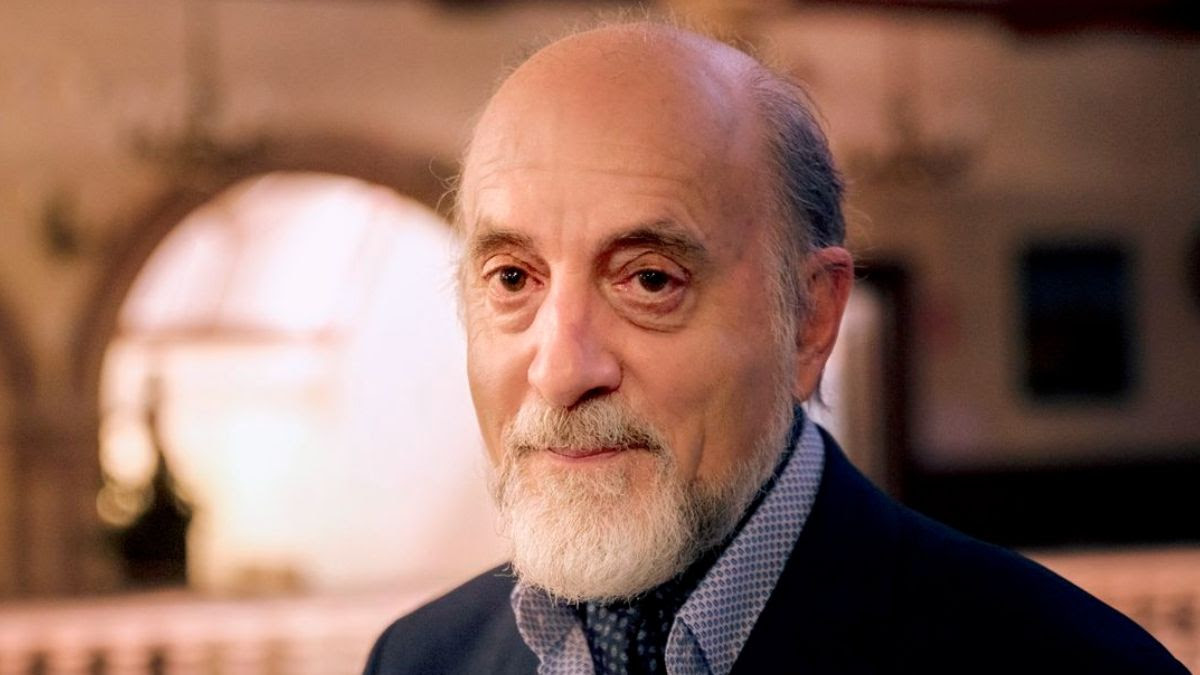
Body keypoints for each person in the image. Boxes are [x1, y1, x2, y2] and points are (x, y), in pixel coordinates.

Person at [363, 21, 1188, 675]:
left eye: (648, 279)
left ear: (810, 320)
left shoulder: (1065, 661)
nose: (560, 369)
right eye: (512, 278)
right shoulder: (420, 659)